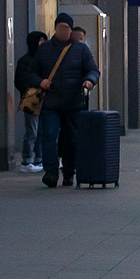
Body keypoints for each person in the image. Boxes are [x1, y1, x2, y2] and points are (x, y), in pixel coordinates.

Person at [31, 13, 99, 188]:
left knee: (72, 139)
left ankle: (69, 171)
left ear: (70, 30)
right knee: (49, 137)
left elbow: (93, 69)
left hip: (73, 102)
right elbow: (31, 72)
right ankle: (51, 172)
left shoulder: (81, 49)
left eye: (67, 28)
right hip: (50, 102)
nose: (63, 31)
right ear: (55, 28)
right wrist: (40, 81)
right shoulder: (44, 49)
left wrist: (89, 81)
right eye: (61, 27)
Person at [14, 31, 46, 172]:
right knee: (32, 130)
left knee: (40, 130)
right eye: (40, 41)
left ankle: (38, 158)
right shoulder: (26, 60)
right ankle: (27, 160)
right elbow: (20, 80)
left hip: (41, 97)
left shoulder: (42, 59)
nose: (42, 44)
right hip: (31, 97)